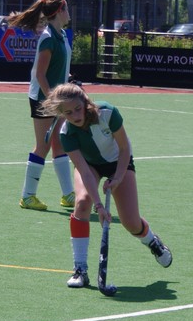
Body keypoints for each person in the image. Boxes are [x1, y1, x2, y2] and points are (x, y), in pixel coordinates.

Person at [40, 83, 172, 288]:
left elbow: (124, 148)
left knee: (131, 222)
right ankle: (80, 270)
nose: (75, 115)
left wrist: (118, 178)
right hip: (90, 166)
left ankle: (152, 240)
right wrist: (99, 206)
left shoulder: (108, 113)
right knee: (82, 202)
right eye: (68, 113)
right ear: (61, 113)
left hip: (118, 162)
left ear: (85, 102)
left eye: (77, 109)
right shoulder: (66, 134)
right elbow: (84, 172)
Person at [6, 0, 75, 211]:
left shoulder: (61, 35)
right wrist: (52, 100)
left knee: (59, 143)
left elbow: (56, 67)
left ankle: (68, 195)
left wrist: (68, 79)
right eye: (67, 8)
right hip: (43, 99)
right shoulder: (48, 38)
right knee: (43, 146)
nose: (69, 13)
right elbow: (40, 75)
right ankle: (27, 196)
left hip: (57, 98)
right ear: (60, 10)